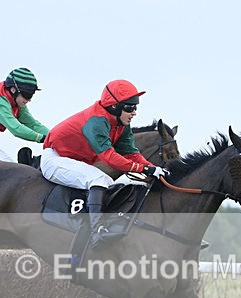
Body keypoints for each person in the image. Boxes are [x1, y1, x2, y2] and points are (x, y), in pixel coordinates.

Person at [41, 79, 168, 248]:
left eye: (135, 107)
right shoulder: (96, 121)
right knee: (100, 180)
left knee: (109, 182)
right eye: (129, 108)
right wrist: (143, 168)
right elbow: (109, 158)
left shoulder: (121, 124)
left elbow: (131, 153)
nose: (134, 112)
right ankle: (97, 232)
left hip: (72, 161)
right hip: (55, 160)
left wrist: (152, 168)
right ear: (114, 107)